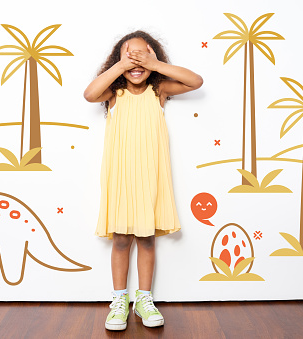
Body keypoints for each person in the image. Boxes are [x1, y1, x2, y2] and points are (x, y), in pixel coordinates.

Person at [84, 30, 203, 331]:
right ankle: (118, 301)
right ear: (118, 60)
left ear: (153, 58)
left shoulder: (158, 90)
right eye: (129, 55)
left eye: (142, 55)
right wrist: (121, 67)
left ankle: (145, 299)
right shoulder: (114, 92)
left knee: (147, 238)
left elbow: (196, 81)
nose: (136, 62)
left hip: (150, 176)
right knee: (122, 239)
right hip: (121, 177)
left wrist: (155, 64)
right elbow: (89, 94)